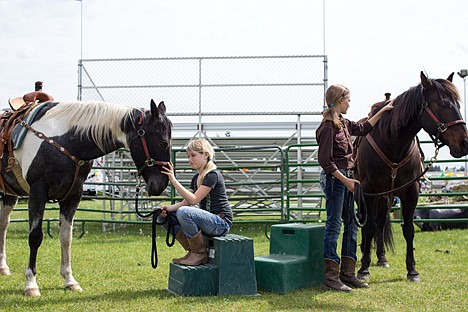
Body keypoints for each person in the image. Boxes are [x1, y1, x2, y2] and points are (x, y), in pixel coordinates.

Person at [316, 84, 393, 292]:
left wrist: (383, 112)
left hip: (347, 181)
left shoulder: (344, 123)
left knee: (351, 225)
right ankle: (331, 276)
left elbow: (364, 128)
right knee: (334, 225)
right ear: (340, 100)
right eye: (348, 100)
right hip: (336, 181)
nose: (350, 103)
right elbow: (326, 162)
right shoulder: (327, 128)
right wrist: (346, 181)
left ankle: (348, 274)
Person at [159, 138, 233, 266]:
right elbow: (185, 203)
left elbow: (193, 200)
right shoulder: (196, 178)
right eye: (188, 156)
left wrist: (173, 180)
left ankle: (199, 253)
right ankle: (192, 250)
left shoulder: (212, 175)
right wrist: (167, 209)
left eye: (193, 155)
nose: (190, 159)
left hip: (221, 223)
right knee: (163, 218)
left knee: (183, 213)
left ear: (205, 155)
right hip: (208, 222)